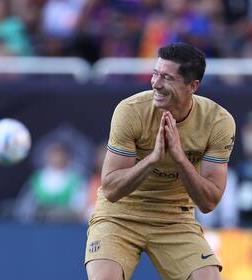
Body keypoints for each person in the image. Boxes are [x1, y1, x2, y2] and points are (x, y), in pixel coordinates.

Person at [85, 42, 236, 280]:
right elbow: (111, 189)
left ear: (192, 86)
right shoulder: (131, 111)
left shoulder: (218, 122)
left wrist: (179, 157)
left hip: (174, 216)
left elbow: (208, 202)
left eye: (167, 77)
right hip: (119, 214)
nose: (155, 83)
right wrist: (153, 159)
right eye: (155, 73)